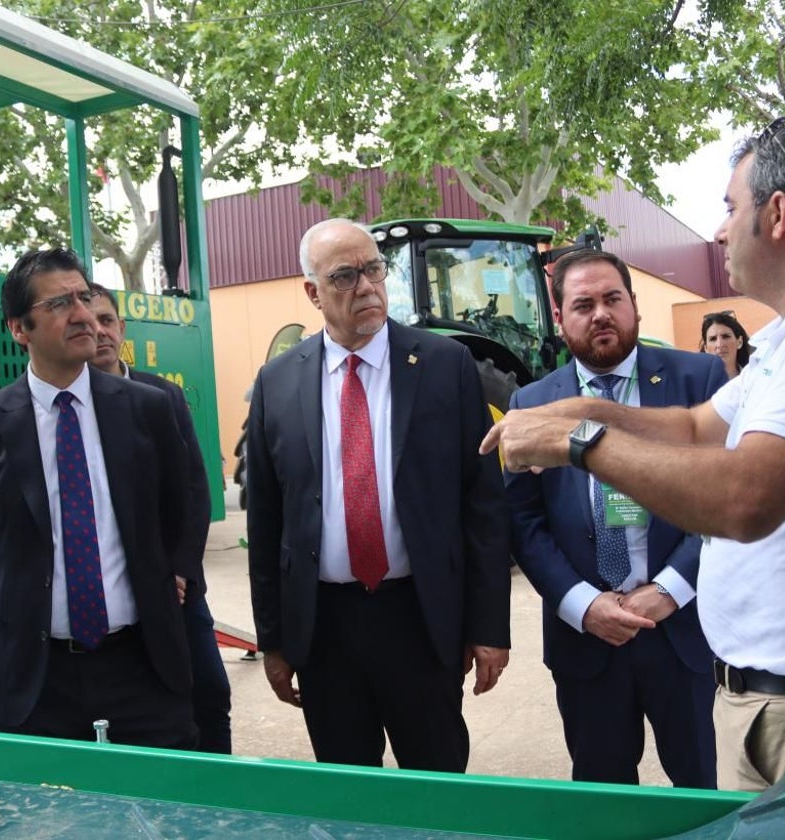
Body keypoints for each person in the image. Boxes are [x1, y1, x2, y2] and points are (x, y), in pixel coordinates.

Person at [481, 120, 785, 791]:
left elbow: (742, 500)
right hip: (784, 701)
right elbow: (698, 430)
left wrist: (577, 444)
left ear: (778, 213)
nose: (722, 230)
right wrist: (583, 409)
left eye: (731, 207)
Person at [245, 218, 511, 772]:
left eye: (373, 269)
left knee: (436, 788)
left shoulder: (445, 365)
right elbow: (268, 524)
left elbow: (481, 507)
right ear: (312, 293)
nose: (366, 286)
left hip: (419, 618)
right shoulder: (278, 382)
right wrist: (274, 640)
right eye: (345, 276)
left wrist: (488, 629)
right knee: (350, 796)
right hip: (324, 630)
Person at [0, 248, 199, 749]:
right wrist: (21, 599)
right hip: (30, 681)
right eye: (59, 304)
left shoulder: (147, 408)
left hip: (142, 669)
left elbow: (175, 511)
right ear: (19, 328)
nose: (81, 315)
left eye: (84, 297)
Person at [507, 249, 726, 787]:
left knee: (698, 791)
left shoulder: (698, 379)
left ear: (635, 307)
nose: (600, 313)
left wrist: (671, 589)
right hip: (588, 639)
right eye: (583, 304)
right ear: (560, 320)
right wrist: (584, 605)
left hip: (678, 628)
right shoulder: (532, 403)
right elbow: (523, 523)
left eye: (612, 299)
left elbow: (722, 498)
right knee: (603, 800)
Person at [88, 282, 233, 754]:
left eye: (107, 321)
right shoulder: (65, 409)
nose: (99, 333)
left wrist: (181, 569)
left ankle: (221, 796)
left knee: (209, 692)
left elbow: (194, 490)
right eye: (87, 325)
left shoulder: (160, 396)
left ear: (121, 327)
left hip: (175, 585)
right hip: (106, 590)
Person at [700, 311, 753, 379]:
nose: (719, 345)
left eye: (726, 336)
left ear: (739, 342)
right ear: (706, 348)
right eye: (713, 339)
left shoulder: (755, 379)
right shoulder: (697, 384)